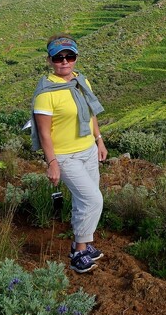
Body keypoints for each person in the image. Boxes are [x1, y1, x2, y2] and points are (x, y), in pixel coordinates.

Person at [30, 35, 108, 273]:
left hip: (87, 150)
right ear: (50, 60)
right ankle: (79, 252)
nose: (64, 62)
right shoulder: (46, 93)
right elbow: (44, 133)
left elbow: (91, 113)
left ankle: (80, 242)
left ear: (75, 57)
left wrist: (99, 140)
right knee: (93, 199)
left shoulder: (81, 81)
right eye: (58, 57)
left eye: (69, 56)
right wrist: (52, 162)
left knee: (83, 200)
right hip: (65, 156)